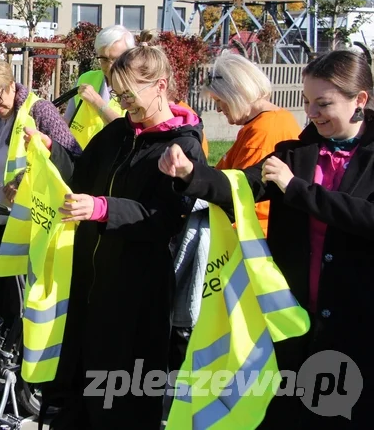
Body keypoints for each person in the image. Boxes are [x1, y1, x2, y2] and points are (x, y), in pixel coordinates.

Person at [159, 49, 374, 428]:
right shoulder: (294, 153)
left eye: (323, 103)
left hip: (356, 322)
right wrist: (192, 174)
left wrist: (298, 191)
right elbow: (244, 185)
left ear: (360, 100)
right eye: (307, 102)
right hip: (292, 317)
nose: (312, 113)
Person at [42, 41, 206, 428]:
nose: (123, 104)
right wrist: (50, 155)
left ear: (161, 86)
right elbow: (83, 174)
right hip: (90, 287)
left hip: (136, 296)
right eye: (117, 95)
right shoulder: (117, 132)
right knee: (78, 396)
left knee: (122, 403)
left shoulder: (181, 146)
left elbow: (165, 218)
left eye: (130, 95)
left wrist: (102, 209)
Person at [0, 55, 82, 409]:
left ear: (11, 83)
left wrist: (25, 180)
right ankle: (10, 383)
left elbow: (71, 159)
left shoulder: (40, 111)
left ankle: (33, 389)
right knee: (7, 312)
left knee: (29, 312)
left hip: (32, 229)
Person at [204, 51, 302, 235]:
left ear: (236, 93)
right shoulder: (274, 119)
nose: (218, 109)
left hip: (251, 236)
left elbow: (239, 194)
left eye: (219, 101)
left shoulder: (262, 132)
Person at [64, 25, 131, 148]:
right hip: (79, 158)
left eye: (116, 59)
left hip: (111, 162)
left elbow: (129, 132)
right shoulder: (86, 78)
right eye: (104, 59)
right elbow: (67, 122)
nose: (110, 66)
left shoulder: (136, 87)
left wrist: (96, 102)